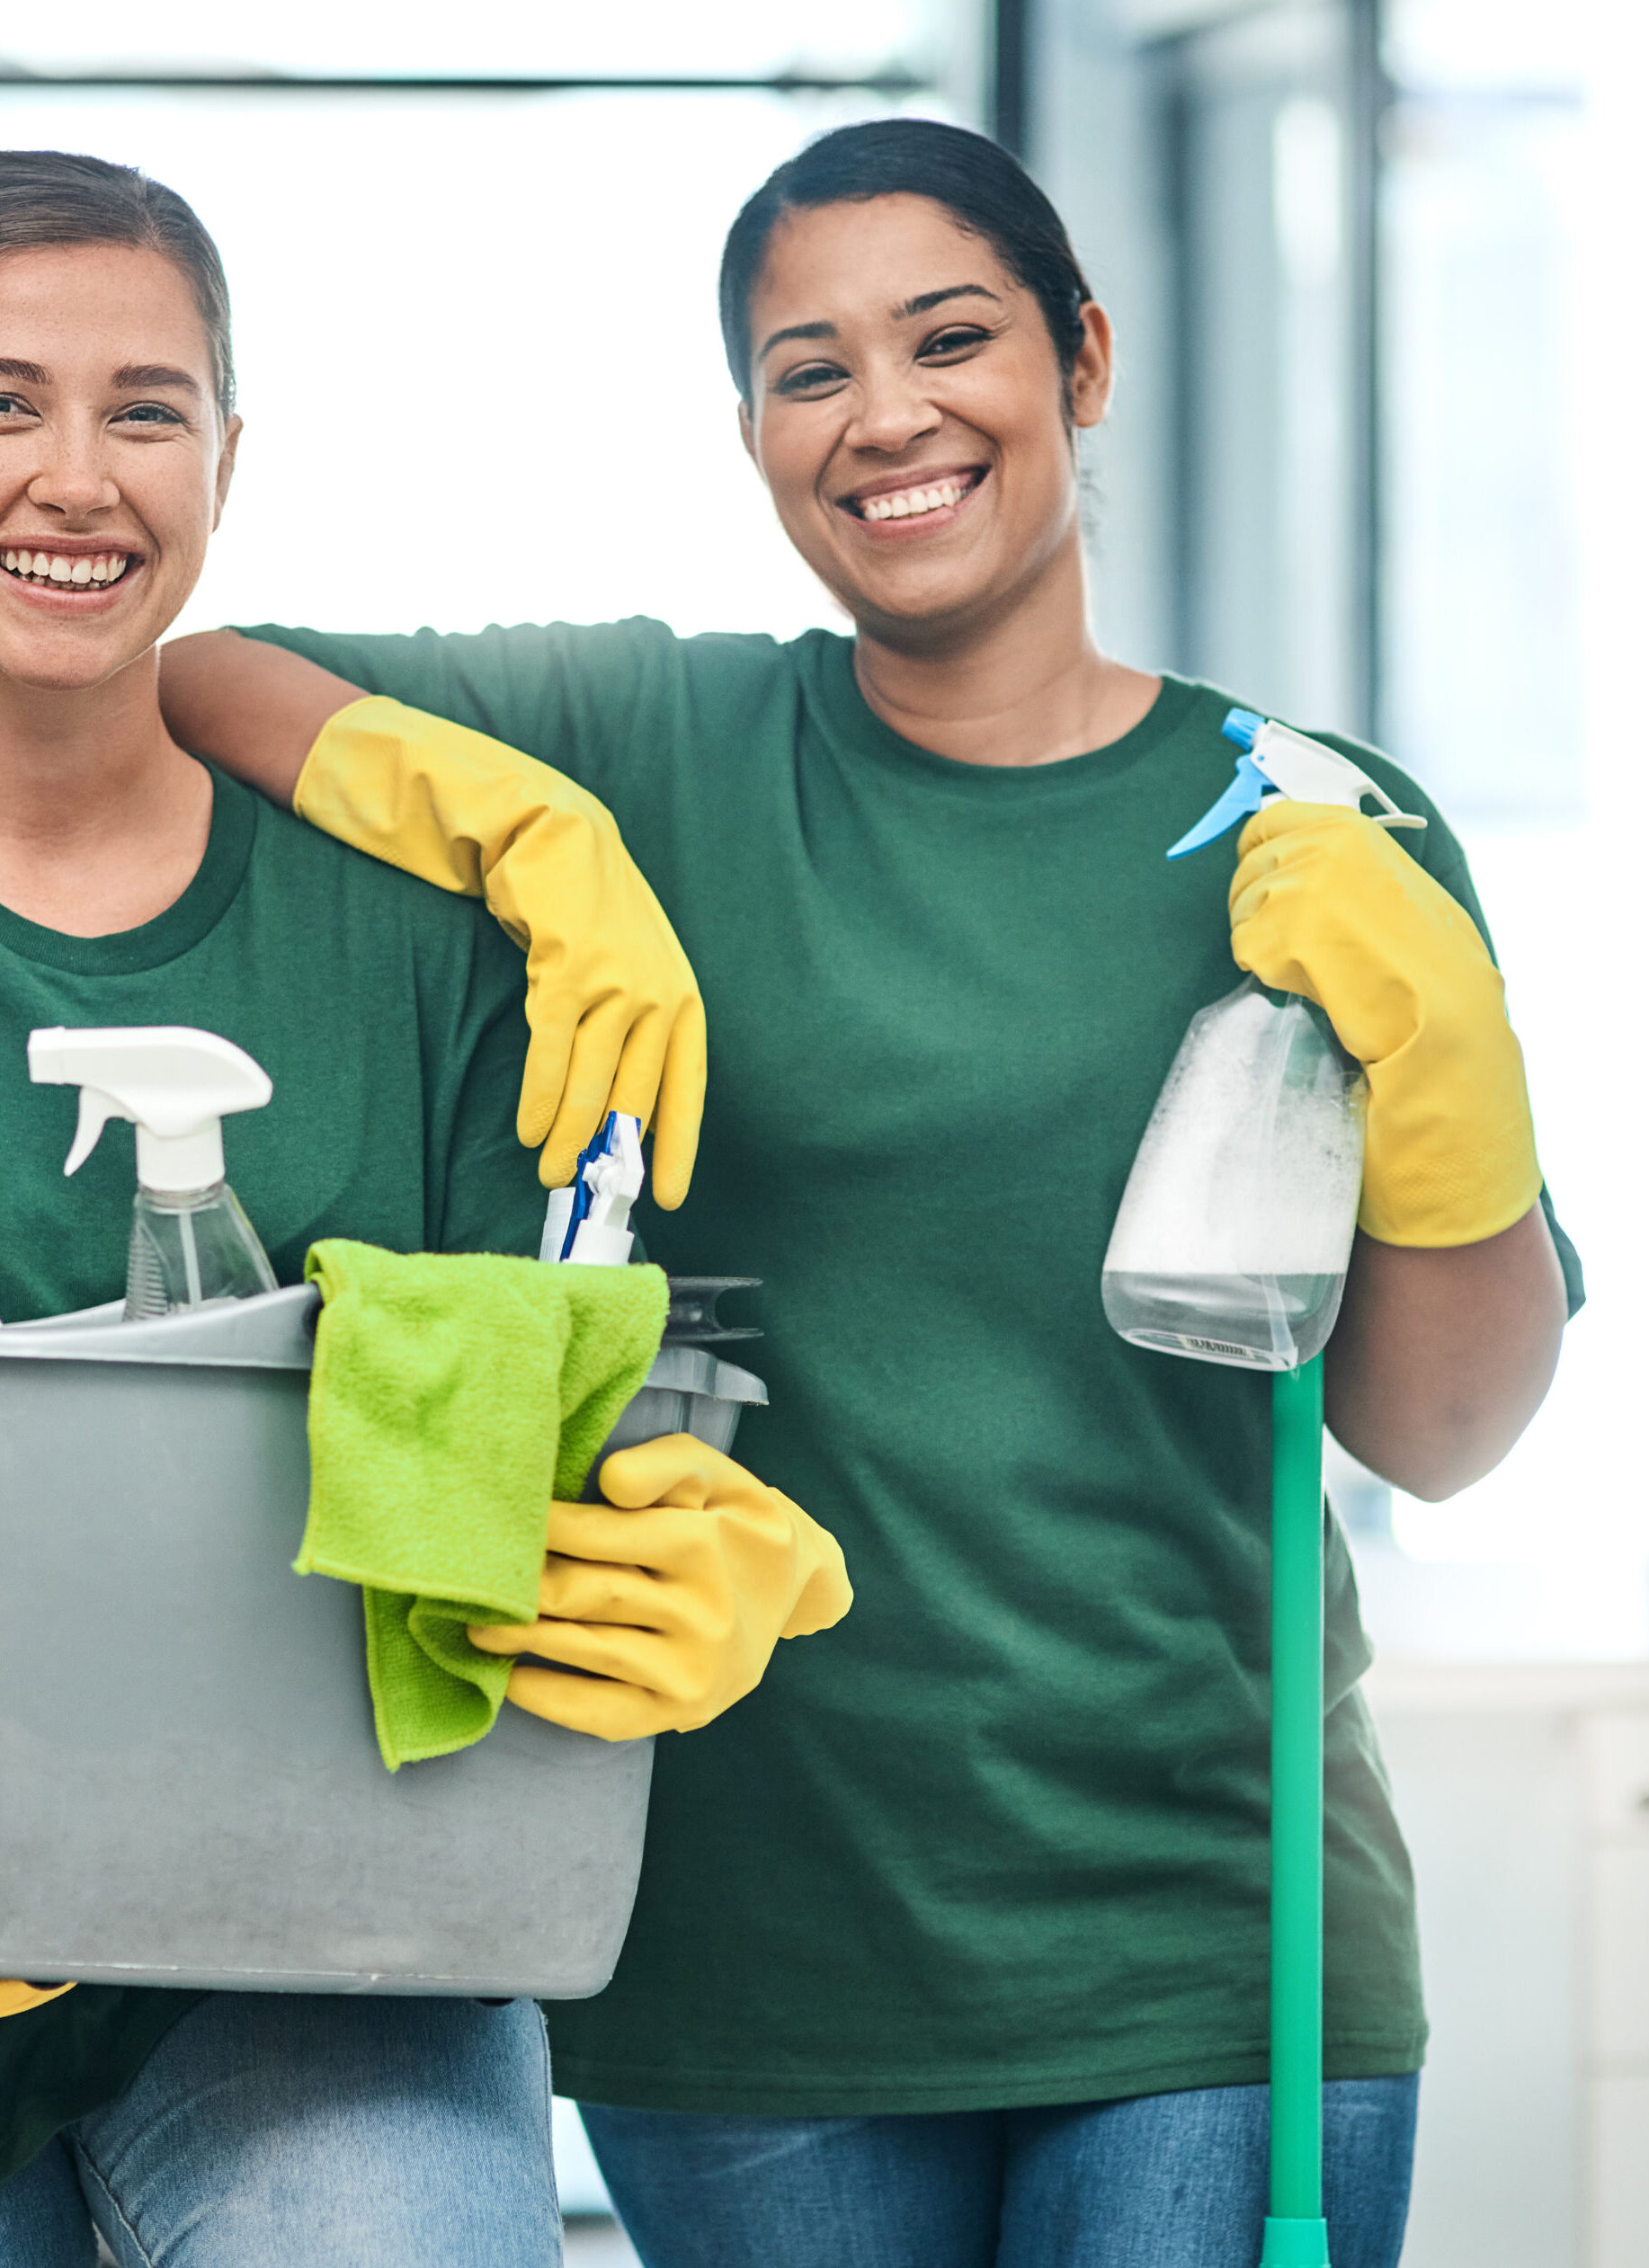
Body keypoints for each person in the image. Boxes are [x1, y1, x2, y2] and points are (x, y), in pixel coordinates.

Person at [158, 117, 1579, 2268]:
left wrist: (1450, 1078)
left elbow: (1439, 1433)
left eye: (948, 338)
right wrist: (521, 833)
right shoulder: (657, 740)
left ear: (1078, 358)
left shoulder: (1314, 826)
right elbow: (195, 671)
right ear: (748, 432)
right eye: (806, 368)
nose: (884, 414)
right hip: (750, 1961)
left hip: (1203, 1941)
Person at [0, 149, 847, 2268]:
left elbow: (556, 1400)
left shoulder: (412, 946)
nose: (77, 477)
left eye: (145, 409)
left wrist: (690, 1529)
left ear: (224, 455)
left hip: (320, 1947)